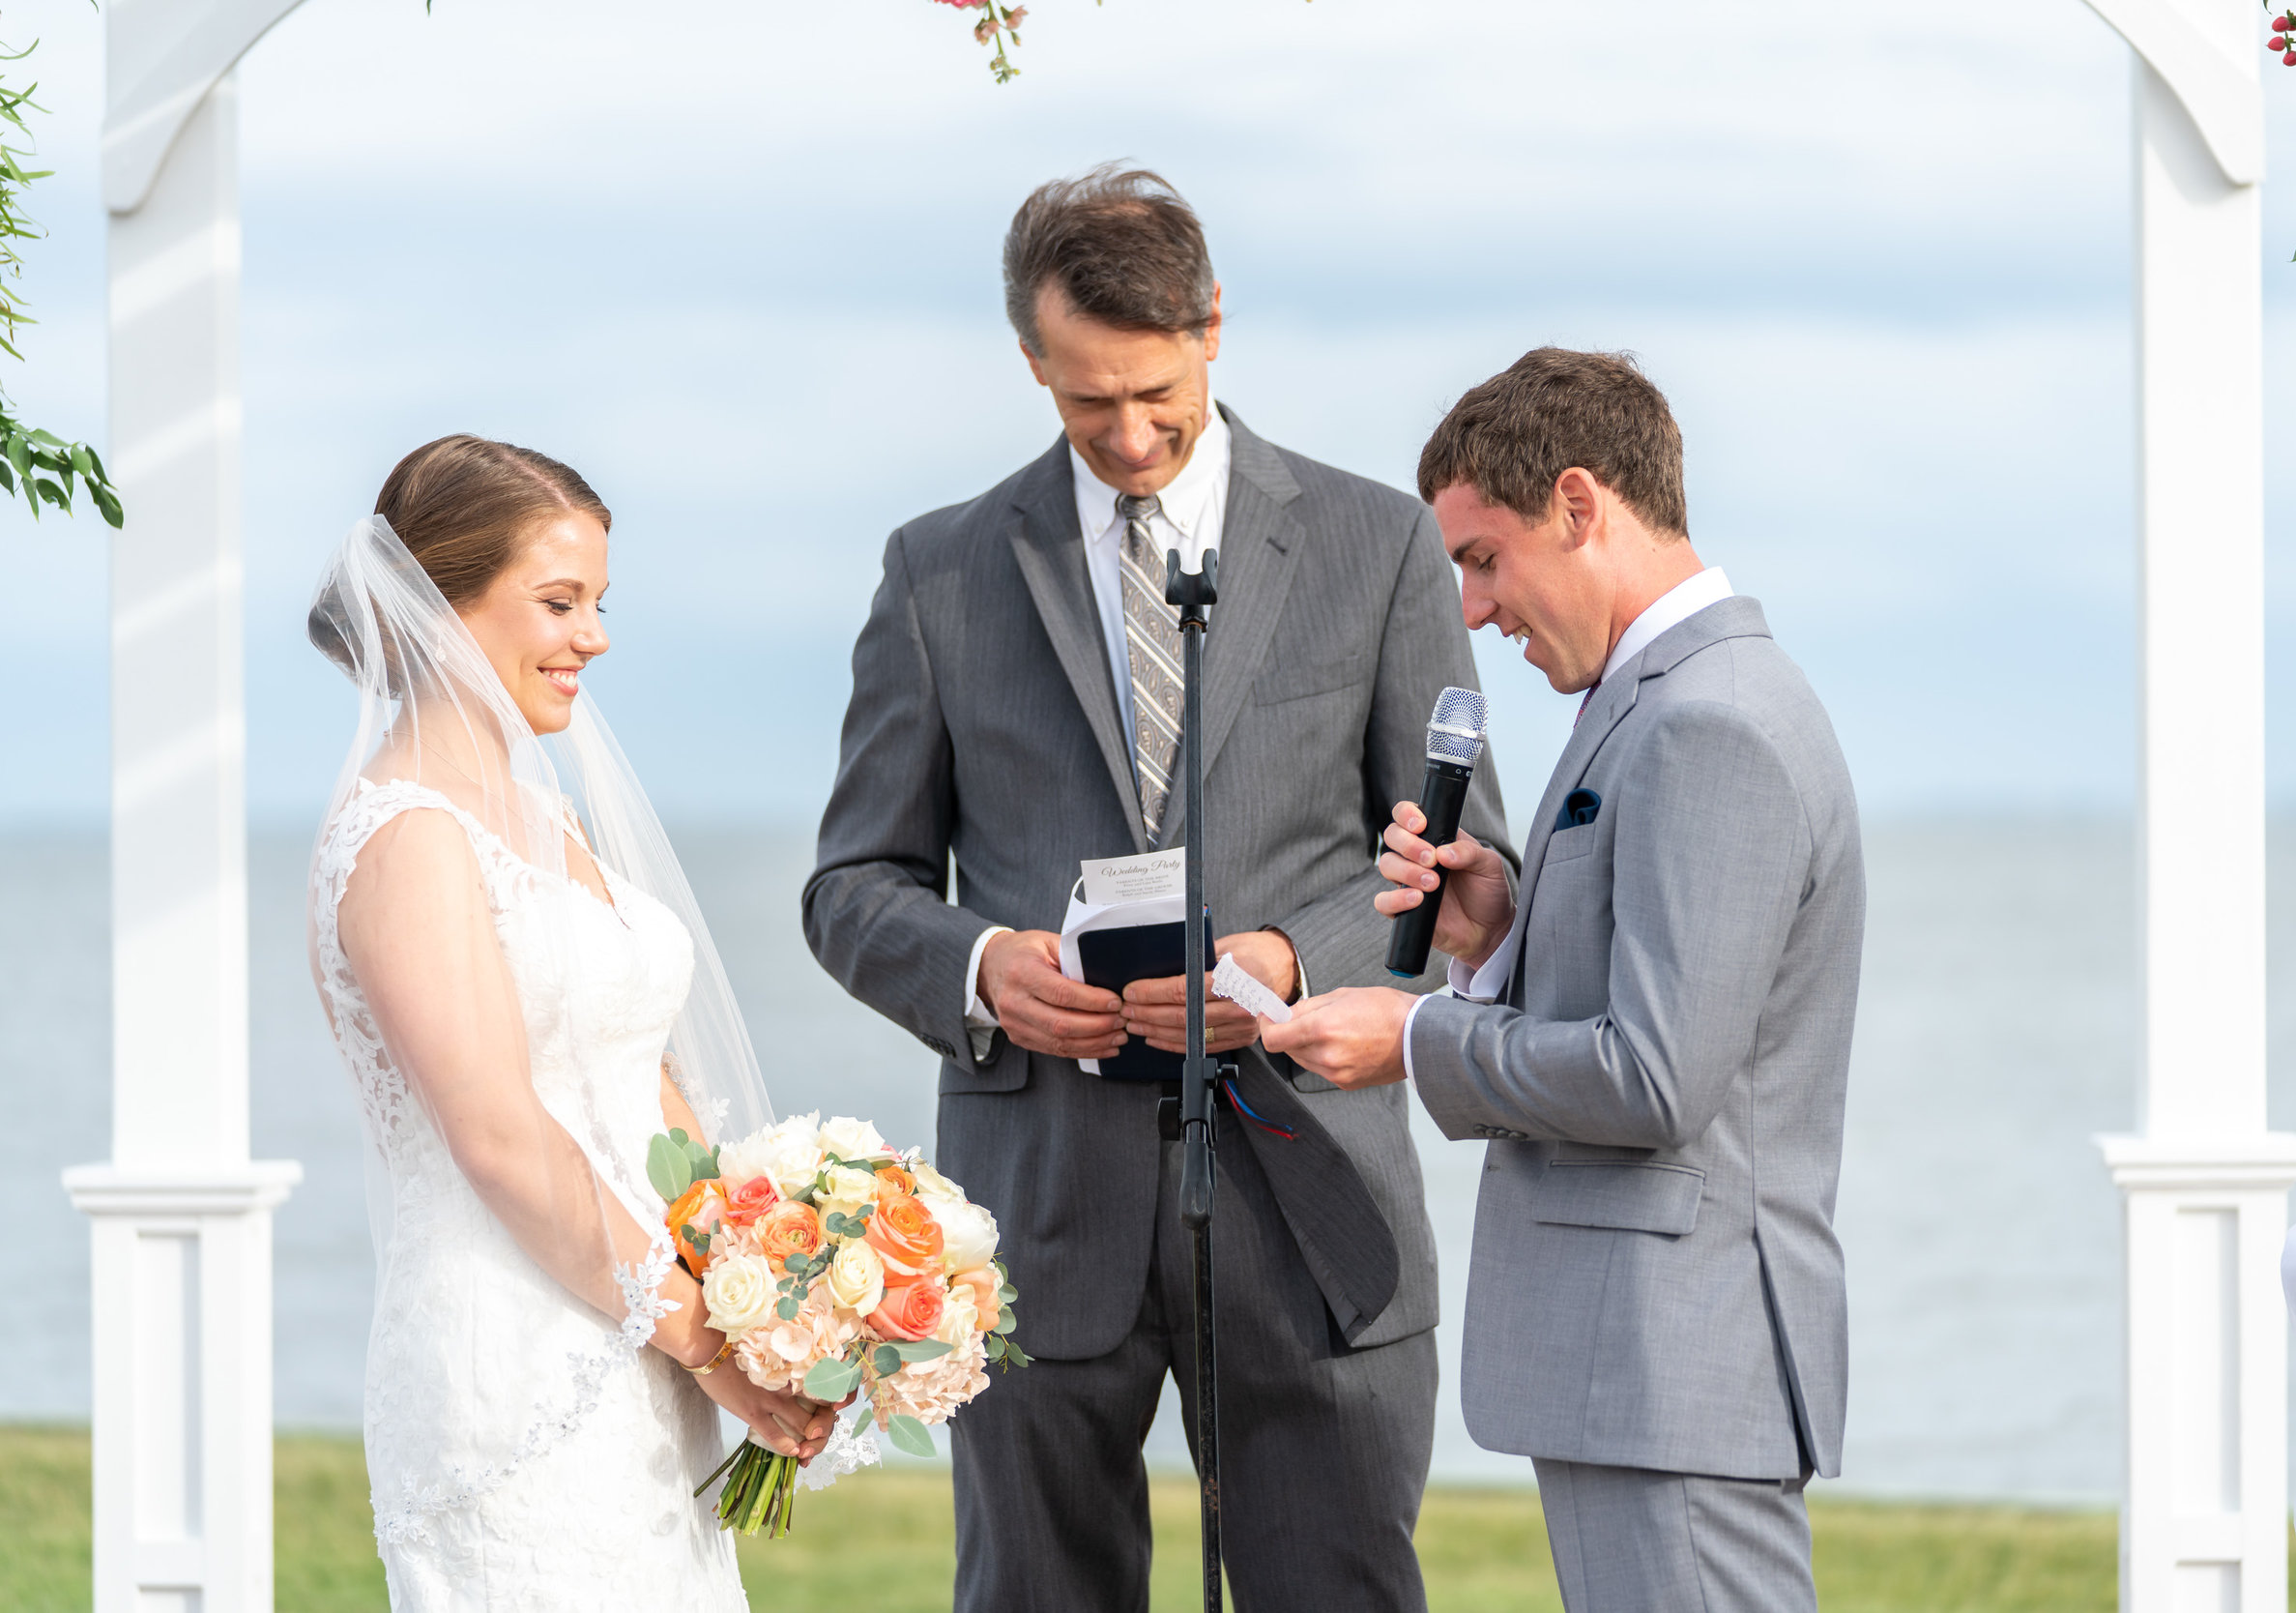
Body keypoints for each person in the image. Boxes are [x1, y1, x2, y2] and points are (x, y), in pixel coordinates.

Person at [804, 164, 1510, 1610]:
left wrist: (1297, 962)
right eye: (1085, 403)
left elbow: (1458, 879)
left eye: (1157, 398)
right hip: (1038, 1211)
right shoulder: (937, 571)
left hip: (1314, 1204)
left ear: (1213, 327)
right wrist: (979, 964)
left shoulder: (1378, 549)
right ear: (1030, 361)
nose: (1127, 436)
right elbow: (851, 885)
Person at [1263, 349, 1862, 1613]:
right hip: (1637, 1367)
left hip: (1675, 1364)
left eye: (1484, 559)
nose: (1473, 611)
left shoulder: (1711, 722)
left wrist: (1415, 1035)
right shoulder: (1660, 702)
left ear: (1581, 506)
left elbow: (1655, 1077)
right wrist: (1498, 932)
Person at [305, 436, 838, 1610]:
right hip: (519, 1361)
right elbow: (497, 1130)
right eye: (558, 602)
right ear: (438, 607)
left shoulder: (540, 818)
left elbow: (635, 1072)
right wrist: (701, 1336)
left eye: (597, 602)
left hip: (637, 1331)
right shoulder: (408, 839)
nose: (592, 637)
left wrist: (767, 1286)